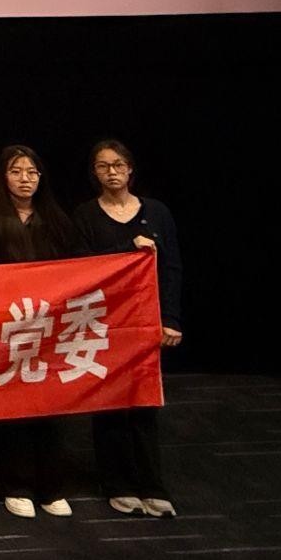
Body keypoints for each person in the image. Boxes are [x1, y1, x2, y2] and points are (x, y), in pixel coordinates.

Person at [72, 140, 184, 518]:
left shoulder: (157, 212)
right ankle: (116, 483)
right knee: (109, 405)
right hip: (104, 323)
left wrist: (171, 318)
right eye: (103, 166)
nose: (112, 172)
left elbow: (171, 269)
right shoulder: (85, 215)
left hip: (145, 322)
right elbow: (82, 268)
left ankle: (152, 485)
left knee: (144, 405)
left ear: (130, 169)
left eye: (118, 164)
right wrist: (126, 247)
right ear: (94, 173)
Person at [0, 145, 78, 519]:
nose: (25, 179)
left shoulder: (56, 217)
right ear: (4, 177)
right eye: (16, 172)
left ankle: (51, 486)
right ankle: (16, 485)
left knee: (51, 406)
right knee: (13, 406)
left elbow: (77, 268)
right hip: (9, 327)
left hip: (50, 326)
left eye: (32, 172)